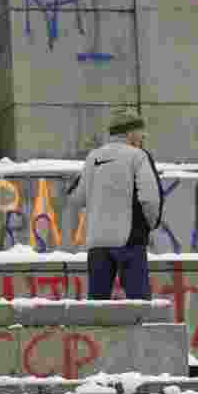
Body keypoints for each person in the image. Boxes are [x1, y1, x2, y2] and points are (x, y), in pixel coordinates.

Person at [69, 107, 164, 300]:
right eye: (140, 134)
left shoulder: (93, 157)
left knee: (97, 308)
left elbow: (77, 197)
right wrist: (151, 224)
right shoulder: (138, 156)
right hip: (130, 241)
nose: (142, 139)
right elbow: (150, 199)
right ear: (130, 134)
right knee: (140, 307)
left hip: (98, 244)